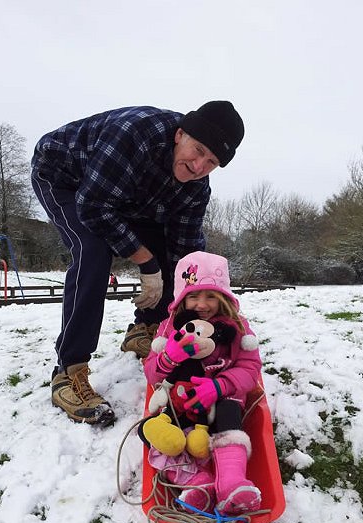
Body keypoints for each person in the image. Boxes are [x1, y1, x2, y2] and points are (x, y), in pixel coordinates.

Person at [31, 102, 245, 425]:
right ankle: (68, 371)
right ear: (180, 134)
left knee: (167, 251)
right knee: (93, 248)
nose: (199, 165)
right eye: (197, 150)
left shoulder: (195, 188)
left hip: (124, 196)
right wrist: (146, 264)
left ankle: (147, 328)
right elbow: (92, 207)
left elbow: (186, 254)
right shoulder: (134, 135)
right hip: (65, 178)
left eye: (211, 162)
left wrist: (209, 307)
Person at [144, 251, 262, 516]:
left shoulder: (238, 328)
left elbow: (250, 367)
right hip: (182, 403)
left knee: (228, 411)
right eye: (193, 296)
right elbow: (152, 375)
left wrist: (219, 386)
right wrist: (168, 358)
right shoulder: (168, 329)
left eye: (211, 296)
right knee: (163, 433)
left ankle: (231, 483)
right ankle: (198, 484)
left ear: (223, 297)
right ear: (181, 299)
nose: (202, 304)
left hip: (222, 399)